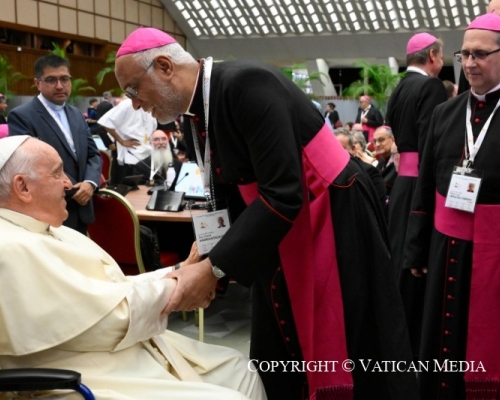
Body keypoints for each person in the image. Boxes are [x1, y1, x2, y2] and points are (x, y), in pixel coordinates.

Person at [114, 27, 418, 400]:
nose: (134, 105)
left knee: (345, 342)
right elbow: (222, 193)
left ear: (164, 66)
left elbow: (285, 193)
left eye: (133, 90)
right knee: (280, 336)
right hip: (278, 223)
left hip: (330, 215)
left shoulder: (246, 83)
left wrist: (213, 271)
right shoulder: (193, 112)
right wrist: (206, 255)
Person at [0, 135, 266, 400]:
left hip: (115, 351)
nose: (69, 183)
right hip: (82, 371)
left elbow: (112, 290)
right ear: (23, 187)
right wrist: (179, 284)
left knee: (242, 369)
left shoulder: (50, 230)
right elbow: (110, 317)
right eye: (57, 173)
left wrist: (178, 269)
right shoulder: (10, 248)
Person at [404, 13, 500, 399]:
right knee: (445, 338)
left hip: (496, 252)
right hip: (445, 248)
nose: (471, 63)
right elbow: (425, 183)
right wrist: (416, 245)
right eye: (464, 55)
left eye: (481, 54)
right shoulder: (445, 113)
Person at [384, 32, 448, 360]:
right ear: (433, 56)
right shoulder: (431, 87)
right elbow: (431, 144)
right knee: (416, 264)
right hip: (421, 186)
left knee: (399, 260)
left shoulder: (399, 88)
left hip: (402, 186)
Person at [8, 54, 101, 235]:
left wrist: (90, 183)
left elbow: (93, 154)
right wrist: (73, 189)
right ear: (37, 83)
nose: (60, 86)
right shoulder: (22, 116)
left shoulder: (76, 114)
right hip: (48, 210)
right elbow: (32, 163)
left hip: (83, 207)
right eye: (51, 80)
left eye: (64, 79)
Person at [97, 96, 157, 184]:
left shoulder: (151, 105)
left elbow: (152, 129)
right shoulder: (127, 104)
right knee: (123, 190)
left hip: (146, 155)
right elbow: (106, 122)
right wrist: (121, 141)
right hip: (127, 157)